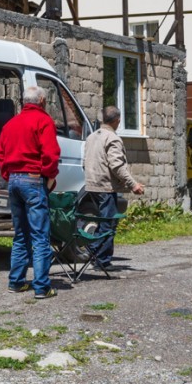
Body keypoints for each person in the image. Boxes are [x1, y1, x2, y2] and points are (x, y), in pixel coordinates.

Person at [0, 85, 60, 299]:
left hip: (14, 180)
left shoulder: (10, 124)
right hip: (33, 179)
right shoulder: (44, 121)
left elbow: (0, 156)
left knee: (20, 234)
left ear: (24, 102)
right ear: (42, 101)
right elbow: (51, 154)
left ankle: (16, 282)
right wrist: (49, 176)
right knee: (40, 236)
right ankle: (42, 287)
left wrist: (10, 176)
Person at [82, 105, 145, 270]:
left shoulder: (91, 137)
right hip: (106, 187)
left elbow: (84, 162)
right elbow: (117, 166)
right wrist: (133, 184)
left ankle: (95, 254)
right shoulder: (112, 138)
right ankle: (101, 260)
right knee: (108, 224)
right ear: (117, 121)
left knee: (102, 222)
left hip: (91, 186)